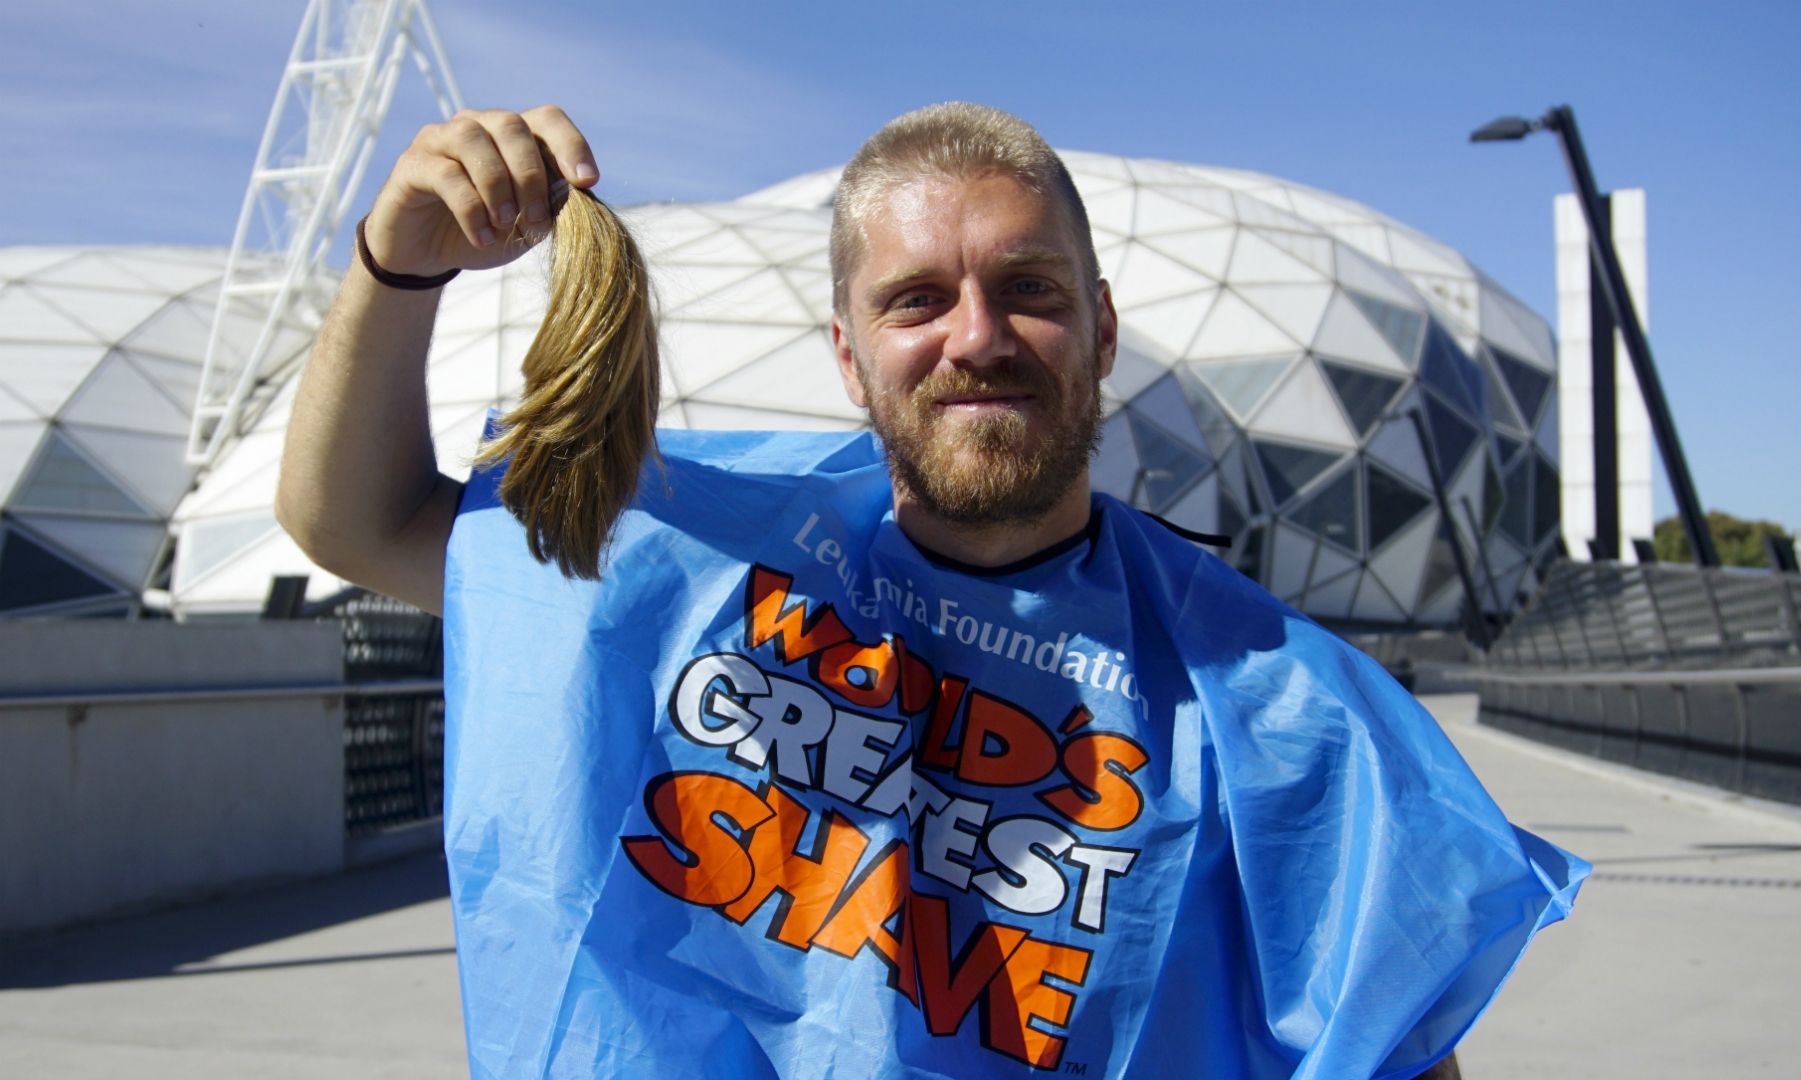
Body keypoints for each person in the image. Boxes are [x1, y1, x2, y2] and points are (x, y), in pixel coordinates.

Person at [279, 102, 1583, 1079]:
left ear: (1104, 330)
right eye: (916, 301)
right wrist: (399, 262)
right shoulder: (687, 558)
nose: (977, 336)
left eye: (1029, 290)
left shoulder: (1289, 711)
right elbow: (356, 521)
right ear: (850, 358)